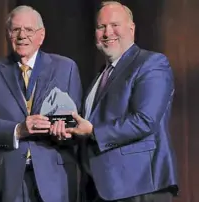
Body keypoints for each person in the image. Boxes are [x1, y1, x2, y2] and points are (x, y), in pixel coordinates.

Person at [51, 1, 178, 202]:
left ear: (131, 29)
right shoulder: (101, 75)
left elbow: (145, 120)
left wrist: (93, 132)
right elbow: (91, 124)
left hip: (139, 187)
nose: (107, 32)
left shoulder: (152, 63)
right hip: (101, 187)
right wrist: (65, 129)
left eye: (114, 25)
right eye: (101, 27)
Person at [0, 5, 82, 202]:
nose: (22, 36)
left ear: (41, 35)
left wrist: (65, 132)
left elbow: (76, 123)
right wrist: (18, 130)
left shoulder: (66, 68)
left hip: (54, 177)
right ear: (7, 34)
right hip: (7, 179)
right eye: (15, 30)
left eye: (28, 30)